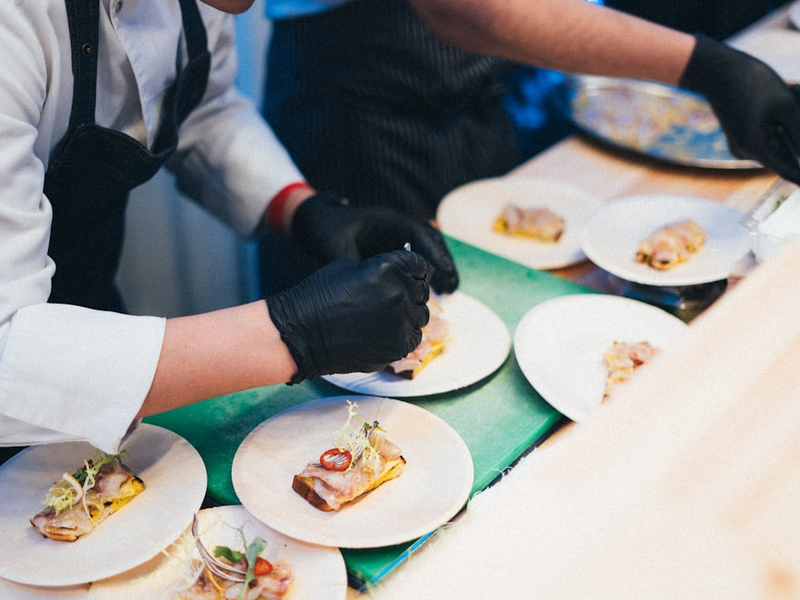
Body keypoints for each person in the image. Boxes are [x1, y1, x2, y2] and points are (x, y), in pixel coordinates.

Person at [0, 0, 458, 456]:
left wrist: (304, 210)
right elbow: (8, 351)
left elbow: (202, 110)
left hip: (94, 319)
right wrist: (291, 334)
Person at [259, 0, 800, 293]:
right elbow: (468, 8)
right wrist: (710, 67)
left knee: (494, 290)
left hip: (473, 90)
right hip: (363, 104)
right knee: (365, 351)